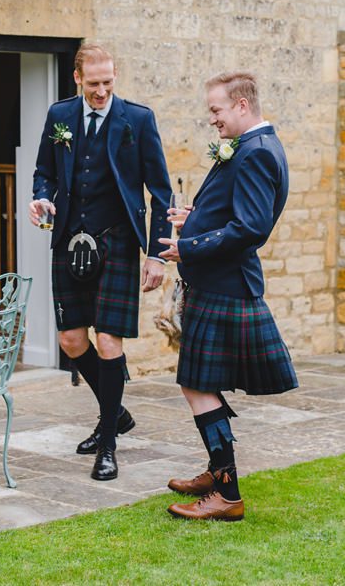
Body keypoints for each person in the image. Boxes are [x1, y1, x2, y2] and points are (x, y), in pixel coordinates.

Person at [28, 43, 175, 481]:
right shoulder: (60, 116)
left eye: (108, 82)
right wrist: (40, 199)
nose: (101, 91)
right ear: (78, 78)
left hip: (118, 244)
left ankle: (107, 441)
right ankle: (118, 413)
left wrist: (158, 255)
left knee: (110, 342)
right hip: (70, 241)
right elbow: (44, 172)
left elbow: (161, 191)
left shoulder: (138, 119)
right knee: (72, 341)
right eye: (93, 84)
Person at [158, 71, 297, 522]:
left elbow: (251, 228)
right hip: (220, 283)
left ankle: (227, 493)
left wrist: (188, 246)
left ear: (241, 105)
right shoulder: (254, 146)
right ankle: (218, 473)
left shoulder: (255, 152)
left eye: (216, 110)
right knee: (198, 381)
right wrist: (196, 216)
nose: (212, 119)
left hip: (226, 285)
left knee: (197, 383)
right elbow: (235, 211)